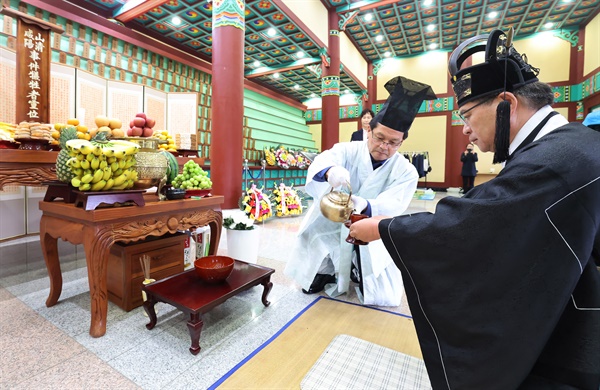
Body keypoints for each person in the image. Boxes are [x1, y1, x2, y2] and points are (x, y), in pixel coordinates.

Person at [349, 28, 600, 388]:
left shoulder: (552, 163)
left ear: (506, 104)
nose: (465, 129)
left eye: (466, 115)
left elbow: (474, 225)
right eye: (379, 137)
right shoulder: (575, 143)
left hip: (570, 338)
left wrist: (383, 228)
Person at [285, 76, 435, 306]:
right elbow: (326, 158)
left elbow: (394, 204)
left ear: (402, 142)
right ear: (369, 131)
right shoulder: (349, 149)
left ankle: (357, 269)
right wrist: (329, 171)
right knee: (314, 233)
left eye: (393, 143)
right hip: (332, 219)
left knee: (380, 293)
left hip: (372, 224)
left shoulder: (406, 171)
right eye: (379, 138)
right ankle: (325, 270)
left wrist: (364, 205)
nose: (384, 147)